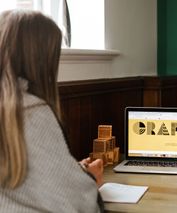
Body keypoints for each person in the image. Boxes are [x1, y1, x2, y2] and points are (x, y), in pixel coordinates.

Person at [0, 10, 104, 212]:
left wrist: (74, 171)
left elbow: (31, 181)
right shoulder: (31, 112)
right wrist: (89, 178)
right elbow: (77, 203)